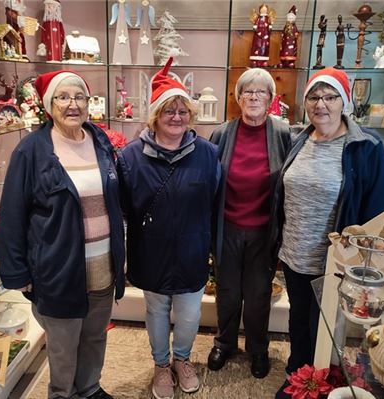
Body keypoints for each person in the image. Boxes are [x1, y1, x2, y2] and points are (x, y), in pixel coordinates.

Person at [0, 70, 125, 399]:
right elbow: (12, 215)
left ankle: (90, 388)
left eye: (80, 97)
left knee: (95, 336)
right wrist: (18, 272)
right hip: (58, 269)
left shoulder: (100, 141)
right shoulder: (31, 151)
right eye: (63, 97)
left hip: (102, 265)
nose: (73, 105)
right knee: (63, 347)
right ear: (48, 104)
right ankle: (61, 394)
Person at [272, 68, 384, 398]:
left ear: (344, 102)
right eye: (314, 96)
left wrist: (365, 262)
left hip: (335, 261)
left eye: (330, 96)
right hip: (295, 253)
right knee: (299, 321)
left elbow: (378, 210)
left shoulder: (366, 147)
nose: (321, 104)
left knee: (324, 328)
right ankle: (298, 375)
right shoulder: (299, 139)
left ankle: (320, 382)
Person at [116, 57, 220, 399]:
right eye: (168, 111)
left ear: (190, 115)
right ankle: (162, 365)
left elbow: (215, 200)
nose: (176, 117)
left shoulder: (208, 154)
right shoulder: (131, 157)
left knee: (190, 312)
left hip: (192, 249)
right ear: (155, 116)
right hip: (152, 251)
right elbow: (124, 208)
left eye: (182, 111)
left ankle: (183, 360)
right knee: (157, 309)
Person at [206, 68, 291, 379]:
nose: (254, 97)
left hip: (263, 231)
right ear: (238, 98)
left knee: (257, 295)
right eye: (248, 92)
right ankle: (224, 343)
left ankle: (258, 349)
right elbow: (211, 182)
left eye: (261, 92)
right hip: (226, 227)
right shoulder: (222, 134)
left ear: (271, 99)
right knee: (227, 291)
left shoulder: (282, 134)